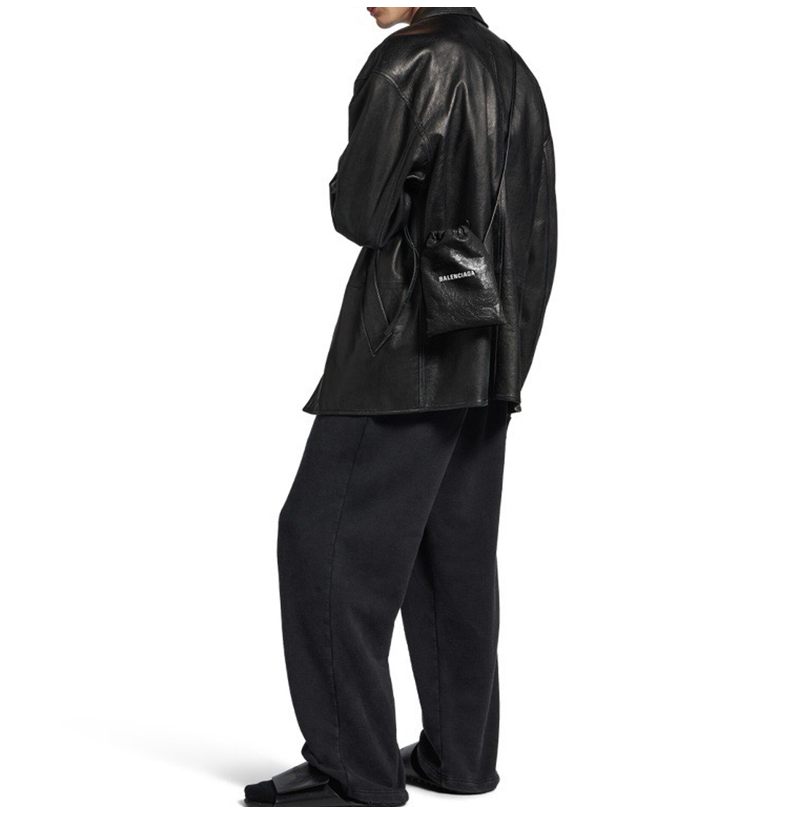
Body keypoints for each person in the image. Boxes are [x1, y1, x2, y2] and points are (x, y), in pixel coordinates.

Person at [244, 7, 557, 807]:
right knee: (451, 554)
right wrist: (507, 354)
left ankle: (351, 765)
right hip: (489, 353)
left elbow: (361, 213)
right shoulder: (512, 69)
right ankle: (459, 758)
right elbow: (536, 230)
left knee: (323, 543)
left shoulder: (407, 63)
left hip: (405, 353)